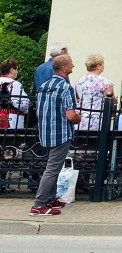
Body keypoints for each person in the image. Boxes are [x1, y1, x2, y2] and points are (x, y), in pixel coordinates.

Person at [30, 54, 81, 216]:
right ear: (64, 67)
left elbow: (38, 112)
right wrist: (79, 118)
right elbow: (71, 115)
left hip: (46, 132)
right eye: (71, 63)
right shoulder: (65, 87)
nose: (73, 64)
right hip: (61, 132)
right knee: (52, 169)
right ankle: (39, 205)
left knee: (53, 167)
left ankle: (51, 199)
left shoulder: (44, 85)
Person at [73, 54, 115, 131]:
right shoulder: (104, 82)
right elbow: (110, 100)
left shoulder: (79, 81)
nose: (103, 66)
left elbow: (78, 99)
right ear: (98, 66)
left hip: (81, 116)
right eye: (103, 64)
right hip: (98, 116)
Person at [0, 58, 30, 131]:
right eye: (16, 69)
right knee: (11, 140)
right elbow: (22, 104)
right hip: (11, 119)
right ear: (12, 70)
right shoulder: (14, 84)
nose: (17, 72)